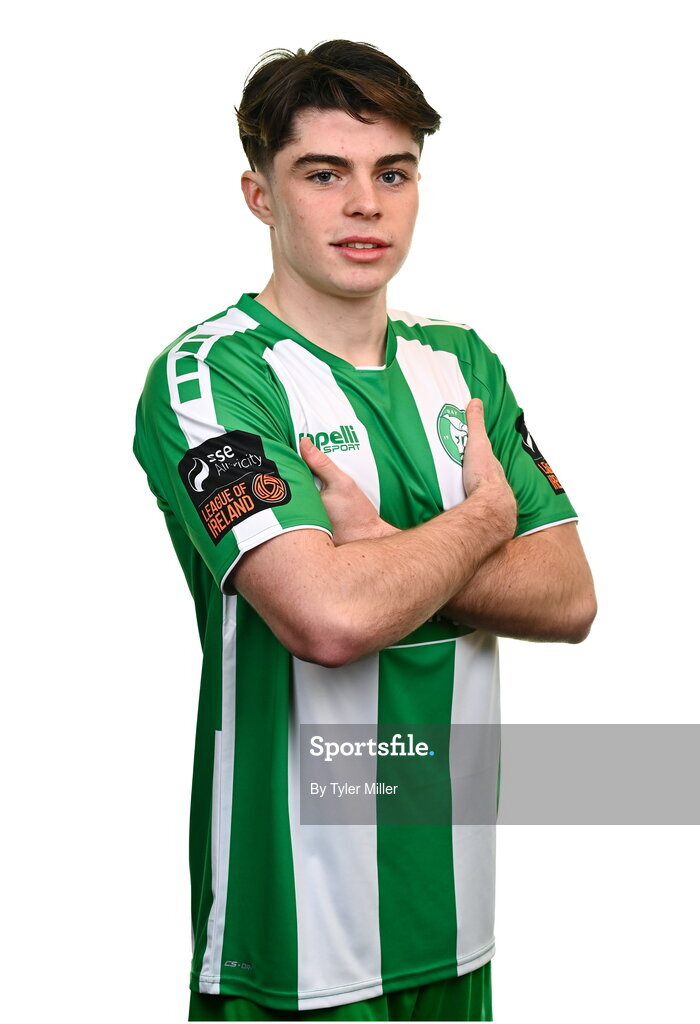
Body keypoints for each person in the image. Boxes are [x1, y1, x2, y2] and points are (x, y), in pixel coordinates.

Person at [133, 39, 596, 1023]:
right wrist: (482, 518)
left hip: (455, 912)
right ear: (260, 195)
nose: (365, 204)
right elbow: (328, 617)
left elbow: (567, 598)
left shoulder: (461, 362)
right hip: (295, 937)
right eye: (323, 174)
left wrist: (387, 540)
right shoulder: (213, 377)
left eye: (393, 173)